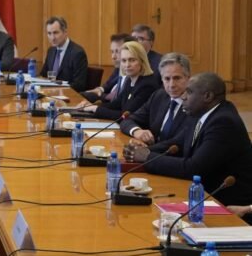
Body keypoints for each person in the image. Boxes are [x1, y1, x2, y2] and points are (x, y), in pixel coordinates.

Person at [124, 73, 252, 208]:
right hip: (201, 194)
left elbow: (194, 168)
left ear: (208, 96)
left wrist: (147, 156)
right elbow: (176, 144)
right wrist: (141, 150)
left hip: (228, 204)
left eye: (189, 92)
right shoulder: (199, 113)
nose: (183, 96)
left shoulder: (223, 122)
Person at [119, 52, 192, 144]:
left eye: (177, 78)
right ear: (162, 79)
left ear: (188, 77)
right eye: (167, 79)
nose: (171, 85)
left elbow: (178, 143)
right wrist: (136, 131)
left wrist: (148, 150)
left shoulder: (194, 103)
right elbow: (127, 121)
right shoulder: (159, 96)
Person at [75, 41, 159, 120]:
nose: (127, 65)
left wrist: (96, 109)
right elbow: (116, 104)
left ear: (142, 61)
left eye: (132, 60)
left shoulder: (147, 85)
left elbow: (126, 116)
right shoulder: (129, 80)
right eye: (124, 60)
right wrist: (90, 106)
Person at [81, 33, 135, 102]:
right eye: (112, 52)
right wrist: (100, 89)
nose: (113, 56)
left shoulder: (133, 75)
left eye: (117, 51)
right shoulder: (118, 68)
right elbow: (108, 84)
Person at [39, 16, 88, 91]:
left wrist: (57, 90)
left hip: (68, 95)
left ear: (65, 32)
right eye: (49, 33)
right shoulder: (51, 51)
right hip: (50, 93)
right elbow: (43, 75)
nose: (52, 38)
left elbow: (79, 85)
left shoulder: (77, 53)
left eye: (55, 33)